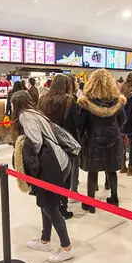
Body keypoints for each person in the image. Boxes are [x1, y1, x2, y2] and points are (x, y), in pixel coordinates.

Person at [10, 91, 74, 263]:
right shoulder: (35, 113)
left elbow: (36, 142)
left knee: (50, 206)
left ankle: (66, 247)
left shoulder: (25, 116)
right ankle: (45, 240)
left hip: (52, 165)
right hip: (60, 161)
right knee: (45, 202)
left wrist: (32, 165)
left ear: (15, 105)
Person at [77, 69, 126, 212]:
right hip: (113, 140)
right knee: (111, 170)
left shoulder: (86, 103)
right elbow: (123, 120)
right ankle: (114, 198)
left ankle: (90, 203)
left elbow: (81, 124)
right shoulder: (118, 101)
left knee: (93, 172)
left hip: (93, 140)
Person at [38, 74, 81, 219]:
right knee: (66, 175)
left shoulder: (43, 99)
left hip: (47, 142)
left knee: (51, 174)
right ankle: (62, 206)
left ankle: (50, 204)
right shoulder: (70, 101)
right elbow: (76, 123)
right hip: (65, 143)